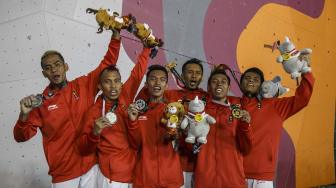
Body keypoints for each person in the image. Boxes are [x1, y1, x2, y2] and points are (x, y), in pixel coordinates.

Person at [13, 30, 121, 187]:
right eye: (48, 68)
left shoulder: (84, 85)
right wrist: (23, 115)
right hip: (64, 175)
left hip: (92, 167)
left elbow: (108, 62)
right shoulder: (40, 103)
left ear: (66, 67)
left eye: (57, 65)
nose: (54, 70)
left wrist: (116, 35)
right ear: (44, 74)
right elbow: (20, 137)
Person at [77, 44, 150, 188]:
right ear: (99, 86)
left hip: (134, 173)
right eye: (107, 82)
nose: (113, 86)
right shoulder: (94, 112)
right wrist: (95, 132)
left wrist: (147, 49)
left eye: (116, 81)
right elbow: (83, 149)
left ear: (121, 84)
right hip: (111, 177)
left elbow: (137, 74)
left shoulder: (126, 96)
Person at [240, 66, 315, 188]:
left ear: (261, 85)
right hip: (233, 173)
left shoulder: (275, 106)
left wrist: (306, 72)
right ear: (240, 83)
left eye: (256, 79)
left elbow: (303, 98)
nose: (251, 81)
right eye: (247, 78)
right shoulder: (232, 105)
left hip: (262, 178)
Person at [193, 69, 253, 188]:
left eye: (223, 81)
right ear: (209, 86)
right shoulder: (199, 111)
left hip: (233, 180)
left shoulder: (238, 112)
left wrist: (246, 126)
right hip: (205, 180)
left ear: (229, 86)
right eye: (215, 81)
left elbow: (246, 148)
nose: (219, 84)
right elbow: (190, 146)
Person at [127, 65, 183, 188]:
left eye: (162, 80)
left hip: (171, 178)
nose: (157, 83)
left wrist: (178, 134)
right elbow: (134, 144)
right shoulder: (138, 111)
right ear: (146, 84)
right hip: (145, 179)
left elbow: (181, 143)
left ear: (167, 85)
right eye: (153, 79)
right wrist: (132, 121)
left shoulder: (174, 111)